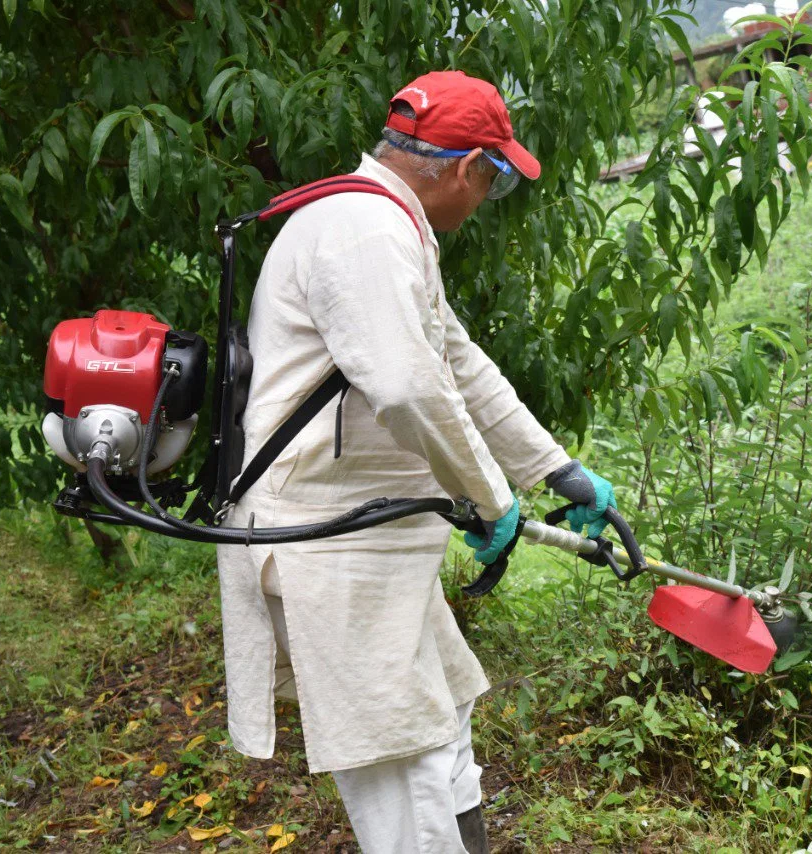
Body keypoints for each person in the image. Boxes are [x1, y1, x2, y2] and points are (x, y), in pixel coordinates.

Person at [214, 70, 618, 854]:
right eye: (495, 182)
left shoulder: (390, 226)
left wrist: (556, 472)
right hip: (328, 548)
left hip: (375, 546)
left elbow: (456, 364)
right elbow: (404, 389)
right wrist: (494, 503)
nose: (483, 202)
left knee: (446, 730)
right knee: (411, 776)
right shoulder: (365, 233)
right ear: (470, 170)